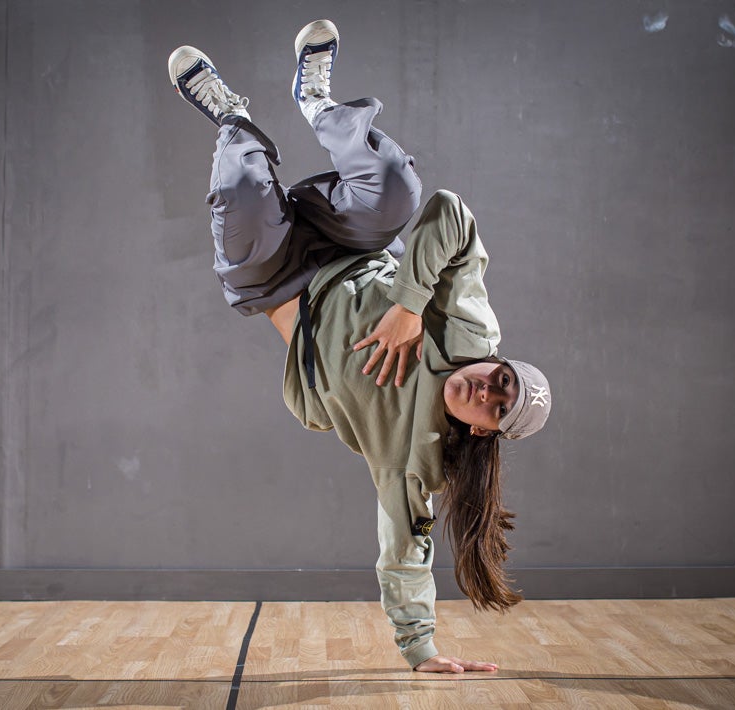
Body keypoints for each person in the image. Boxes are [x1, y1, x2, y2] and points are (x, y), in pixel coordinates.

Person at [167, 20, 553, 674]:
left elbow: (405, 551)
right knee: (399, 188)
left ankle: (234, 121)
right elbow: (452, 215)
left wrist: (421, 648)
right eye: (501, 379)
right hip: (352, 245)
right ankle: (317, 102)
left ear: (485, 430)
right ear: (497, 361)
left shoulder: (417, 458)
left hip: (277, 279)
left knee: (236, 191)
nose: (485, 389)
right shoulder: (468, 334)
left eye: (496, 404)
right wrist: (409, 306)